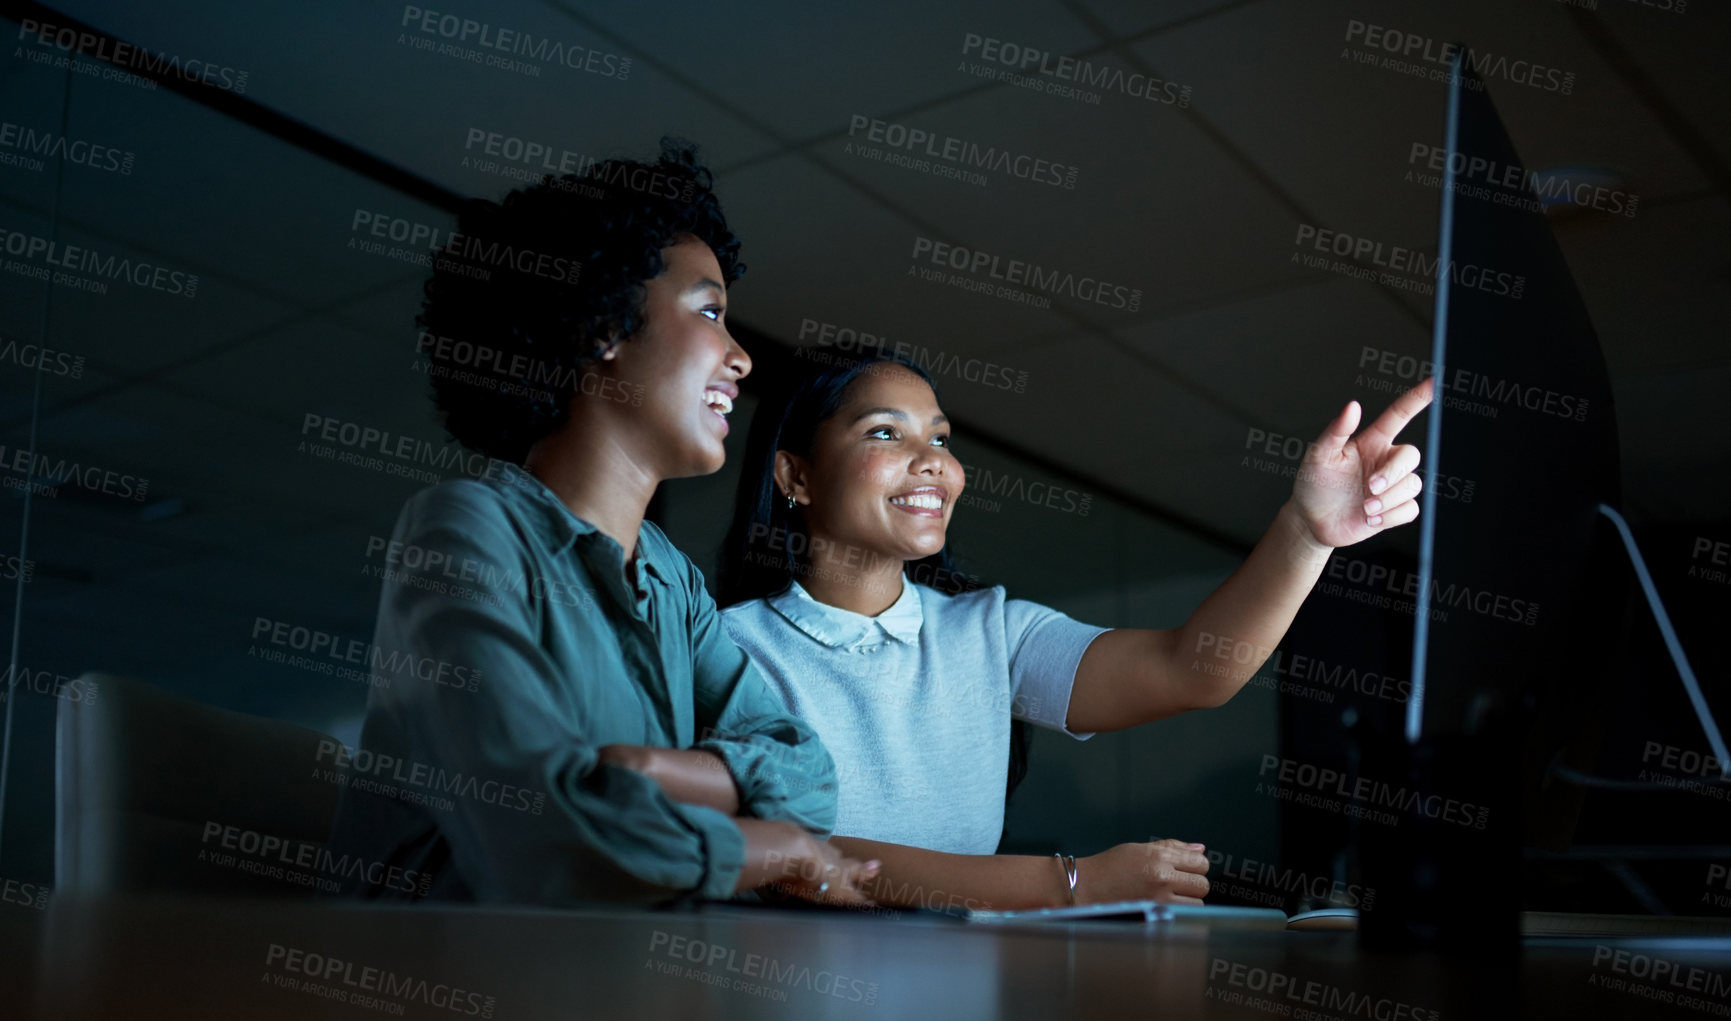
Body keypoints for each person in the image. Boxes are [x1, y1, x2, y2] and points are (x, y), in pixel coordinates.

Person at [324, 141, 877, 907]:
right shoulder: (464, 527)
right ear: (601, 327)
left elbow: (809, 775)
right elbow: (540, 841)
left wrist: (643, 773)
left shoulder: (669, 577)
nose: (742, 357)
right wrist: (769, 847)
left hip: (608, 979)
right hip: (440, 994)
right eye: (710, 312)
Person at [700, 348, 1433, 911]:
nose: (934, 462)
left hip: (952, 1016)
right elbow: (792, 858)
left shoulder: (990, 632)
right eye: (885, 432)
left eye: (942, 438)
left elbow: (1193, 669)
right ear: (794, 476)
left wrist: (1306, 533)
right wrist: (1070, 884)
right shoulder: (720, 646)